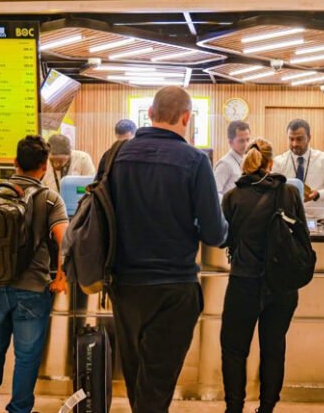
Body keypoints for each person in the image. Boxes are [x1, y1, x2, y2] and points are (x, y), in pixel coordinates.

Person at [109, 86, 228, 412]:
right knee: (157, 383)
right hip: (174, 287)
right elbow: (215, 234)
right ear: (186, 118)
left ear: (149, 113)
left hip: (125, 286)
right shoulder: (195, 161)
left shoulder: (116, 156)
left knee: (137, 381)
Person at [0, 135, 69, 413]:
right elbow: (64, 241)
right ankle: (19, 410)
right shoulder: (50, 199)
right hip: (32, 288)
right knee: (26, 357)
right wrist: (61, 277)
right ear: (44, 166)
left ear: (14, 162)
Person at [220, 138, 305, 413]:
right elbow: (302, 235)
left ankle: (234, 408)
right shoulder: (289, 193)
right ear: (271, 164)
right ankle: (267, 408)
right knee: (273, 347)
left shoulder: (232, 197)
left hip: (244, 282)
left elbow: (223, 239)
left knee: (234, 350)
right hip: (281, 284)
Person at [272, 119, 324, 220]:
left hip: (319, 220)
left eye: (299, 139)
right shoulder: (278, 162)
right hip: (288, 221)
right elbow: (273, 193)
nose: (294, 144)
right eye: (291, 139)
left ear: (309, 138)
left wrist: (318, 194)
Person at [214, 120, 251, 198]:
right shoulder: (225, 164)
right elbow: (214, 193)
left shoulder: (246, 160)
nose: (246, 145)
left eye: (247, 140)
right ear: (230, 142)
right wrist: (230, 204)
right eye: (241, 141)